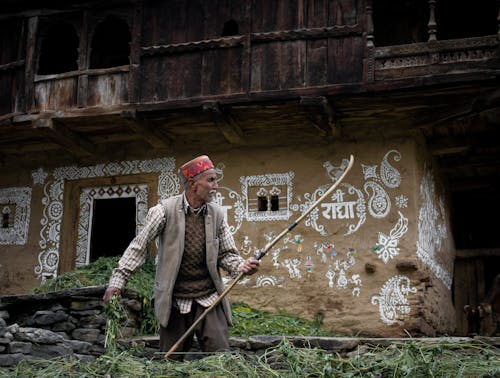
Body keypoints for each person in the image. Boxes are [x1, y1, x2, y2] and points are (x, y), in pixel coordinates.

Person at [103, 155, 260, 359]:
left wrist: (242, 267)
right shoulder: (163, 212)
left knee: (221, 359)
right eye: (211, 180)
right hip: (174, 301)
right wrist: (117, 282)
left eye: (215, 180)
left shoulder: (217, 215)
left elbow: (227, 255)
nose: (216, 186)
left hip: (208, 300)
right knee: (171, 362)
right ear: (193, 184)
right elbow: (138, 248)